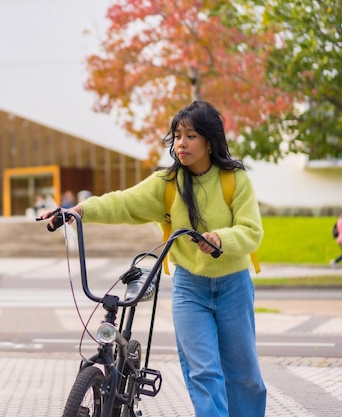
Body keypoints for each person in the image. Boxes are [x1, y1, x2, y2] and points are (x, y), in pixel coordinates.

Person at [41, 100, 266, 417]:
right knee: (204, 373)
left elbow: (251, 231)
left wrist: (220, 238)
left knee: (245, 377)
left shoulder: (235, 180)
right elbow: (123, 203)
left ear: (210, 141)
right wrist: (78, 211)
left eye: (190, 136)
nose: (181, 143)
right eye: (177, 136)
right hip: (190, 288)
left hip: (233, 285)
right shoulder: (168, 184)